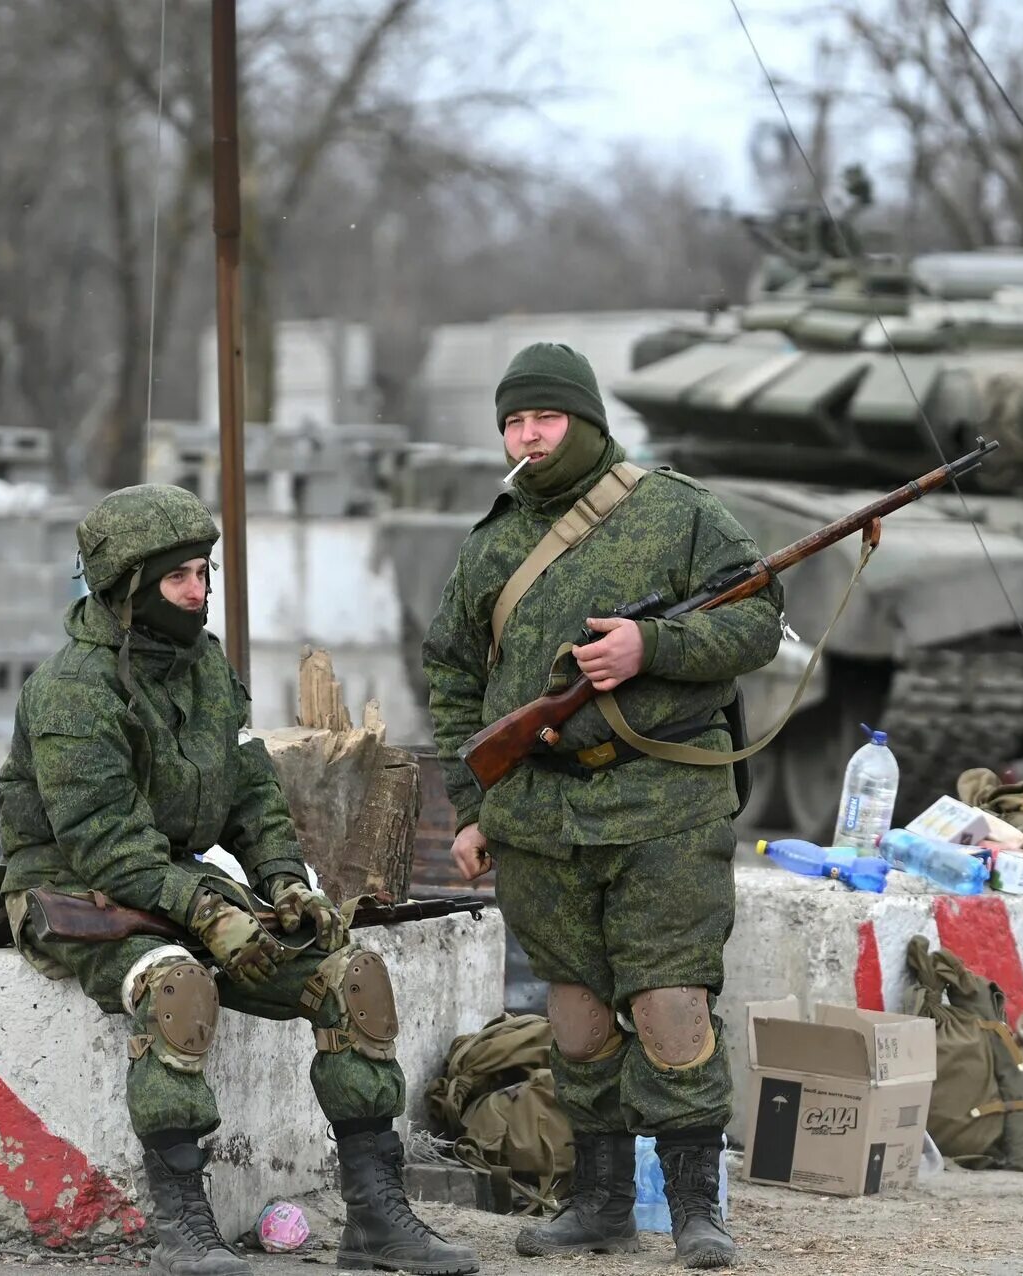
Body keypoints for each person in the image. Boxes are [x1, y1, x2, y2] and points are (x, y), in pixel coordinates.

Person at [0, 483, 477, 1276]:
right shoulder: (72, 691)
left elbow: (253, 794)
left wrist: (287, 884)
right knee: (179, 988)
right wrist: (211, 917)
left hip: (175, 879)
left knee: (351, 979)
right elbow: (104, 841)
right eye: (180, 577)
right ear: (127, 590)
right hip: (75, 892)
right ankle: (184, 1221)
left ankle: (377, 1219)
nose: (200, 592)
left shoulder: (206, 668)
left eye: (205, 572)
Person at [421, 343, 783, 1269]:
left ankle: (698, 1210)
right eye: (513, 421)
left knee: (670, 1007)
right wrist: (471, 808)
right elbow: (454, 678)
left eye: (544, 417)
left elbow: (755, 620)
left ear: (585, 420)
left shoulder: (679, 511)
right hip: (540, 814)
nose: (528, 435)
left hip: (665, 801)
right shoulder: (492, 544)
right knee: (577, 1020)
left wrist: (648, 647)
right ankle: (601, 1205)